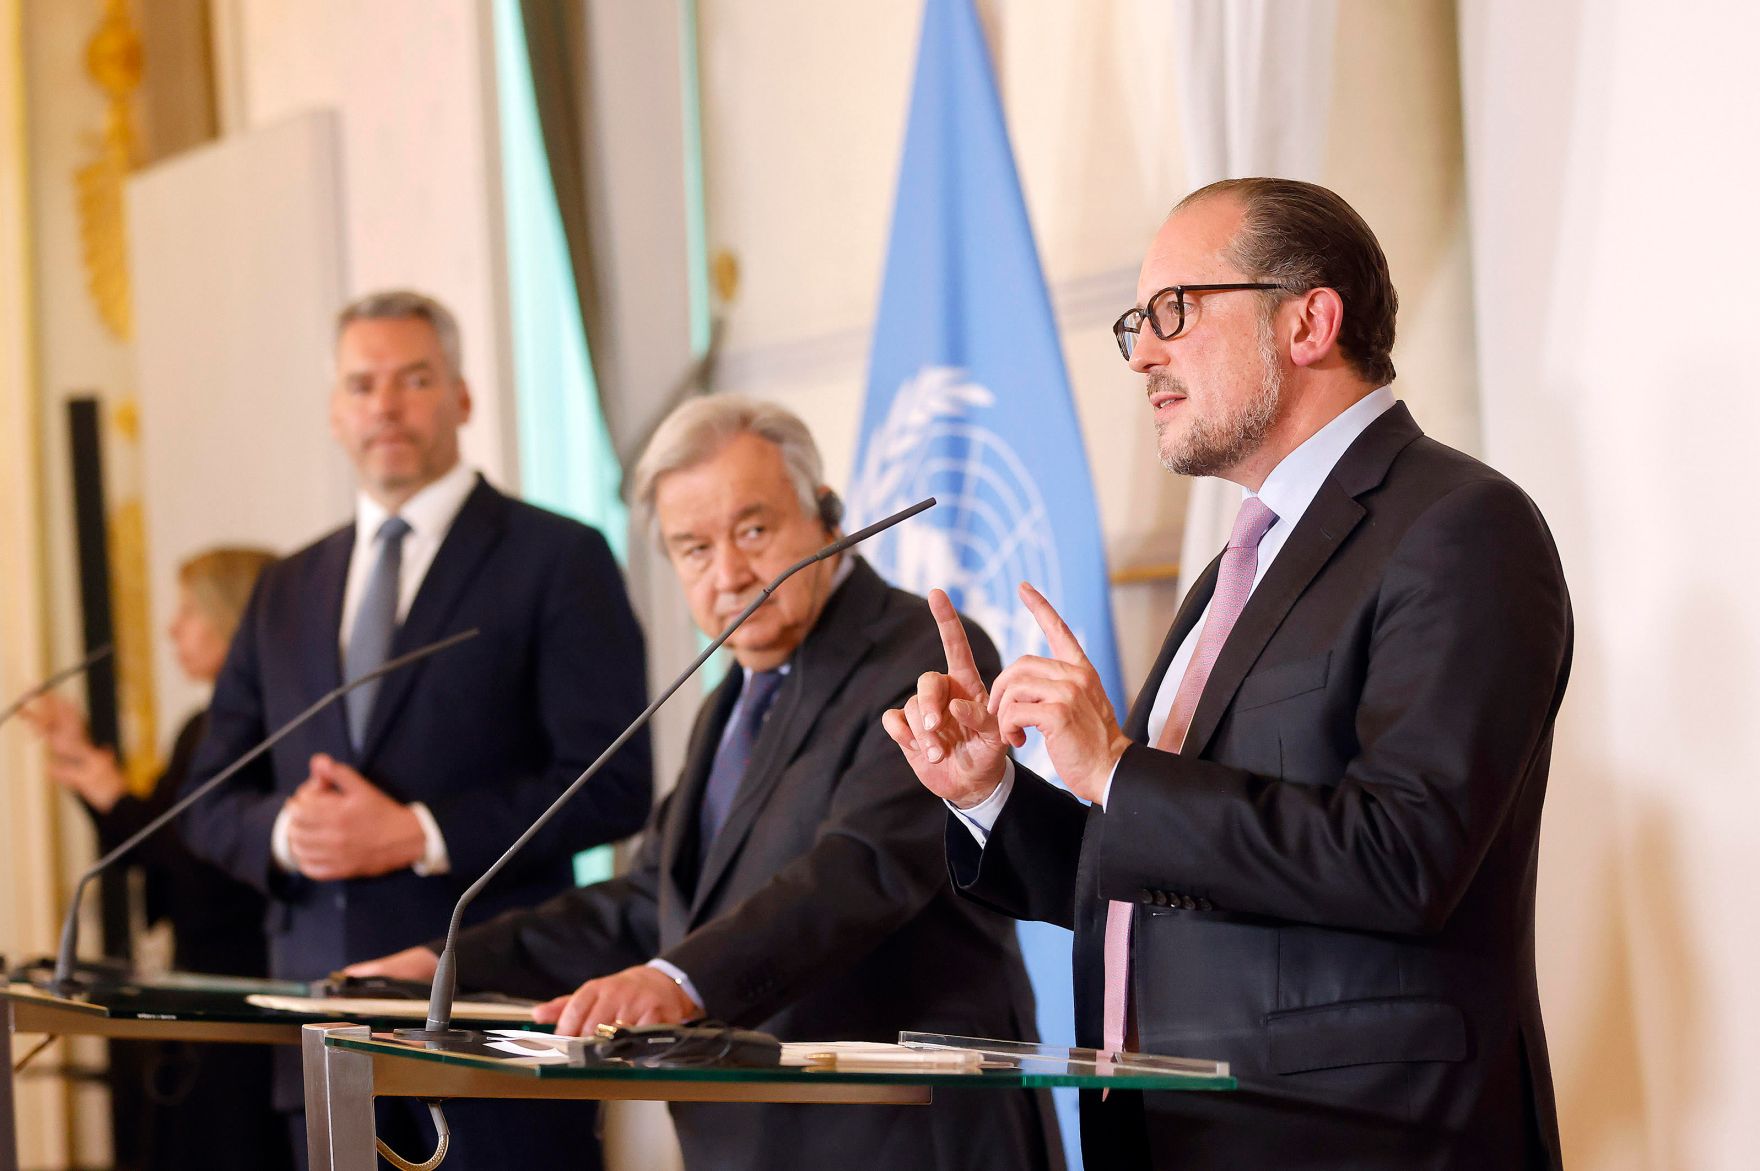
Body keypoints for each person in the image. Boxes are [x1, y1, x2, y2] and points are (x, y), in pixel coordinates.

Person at [887, 178, 1573, 1170]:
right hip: (1167, 1128)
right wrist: (993, 794)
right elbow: (1166, 869)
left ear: (1307, 321)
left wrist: (1117, 769)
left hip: (1357, 1138)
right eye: (1135, 323)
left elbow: (1403, 856)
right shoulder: (1242, 561)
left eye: (1174, 311)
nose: (1143, 355)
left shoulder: (1458, 527)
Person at [352, 396, 1057, 1171]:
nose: (728, 574)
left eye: (754, 531)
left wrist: (678, 980)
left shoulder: (917, 656)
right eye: (693, 548)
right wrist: (444, 959)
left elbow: (862, 868)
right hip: (754, 1139)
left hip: (908, 1136)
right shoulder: (732, 696)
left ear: (826, 514)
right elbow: (649, 900)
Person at [178, 289, 651, 1170]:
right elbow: (207, 794)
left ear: (463, 397)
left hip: (491, 1026)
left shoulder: (559, 556)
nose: (385, 406)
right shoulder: (286, 586)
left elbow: (613, 782)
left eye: (414, 379)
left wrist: (419, 831)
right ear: (333, 412)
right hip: (319, 1029)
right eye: (361, 385)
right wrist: (289, 832)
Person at [22, 547, 288, 1171]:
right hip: (206, 991)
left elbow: (203, 863)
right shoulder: (210, 724)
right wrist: (96, 776)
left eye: (191, 611)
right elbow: (163, 846)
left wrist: (112, 792)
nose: (173, 629)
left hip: (242, 999)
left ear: (234, 616)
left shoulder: (247, 727)